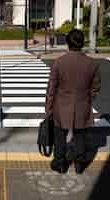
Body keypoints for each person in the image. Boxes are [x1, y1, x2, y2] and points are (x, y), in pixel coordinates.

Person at [45, 29, 101, 174]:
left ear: (67, 43)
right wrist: (88, 98)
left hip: (61, 106)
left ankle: (60, 163)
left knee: (60, 137)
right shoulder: (92, 64)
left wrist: (49, 108)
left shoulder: (59, 62)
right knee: (80, 136)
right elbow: (95, 87)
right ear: (82, 43)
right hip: (82, 104)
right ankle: (80, 164)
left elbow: (51, 88)